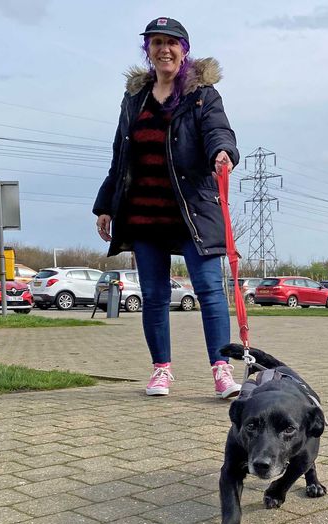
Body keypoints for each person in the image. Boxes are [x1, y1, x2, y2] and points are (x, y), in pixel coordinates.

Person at [93, 17, 241, 400]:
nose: (164, 49)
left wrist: (222, 152)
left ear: (184, 49)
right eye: (156, 42)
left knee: (209, 290)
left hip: (192, 210)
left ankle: (221, 370)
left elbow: (218, 132)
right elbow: (120, 156)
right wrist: (106, 205)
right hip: (144, 214)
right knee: (155, 294)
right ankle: (161, 370)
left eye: (171, 42)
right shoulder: (134, 100)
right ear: (148, 50)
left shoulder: (202, 95)